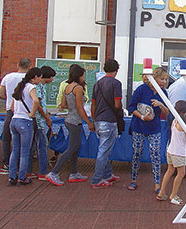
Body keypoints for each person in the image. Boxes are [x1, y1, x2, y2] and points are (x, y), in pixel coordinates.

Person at [45, 64, 95, 186]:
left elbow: (63, 104)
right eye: (83, 75)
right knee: (72, 147)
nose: (84, 78)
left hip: (69, 119)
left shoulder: (67, 86)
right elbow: (80, 107)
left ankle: (74, 172)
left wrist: (72, 107)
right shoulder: (78, 88)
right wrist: (88, 121)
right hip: (75, 121)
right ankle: (54, 172)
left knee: (75, 147)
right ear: (79, 75)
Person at [127, 66, 169, 193]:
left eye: (166, 79)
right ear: (155, 78)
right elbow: (131, 107)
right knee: (137, 153)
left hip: (154, 127)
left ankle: (157, 184)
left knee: (156, 154)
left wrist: (161, 105)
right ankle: (133, 179)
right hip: (139, 126)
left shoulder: (163, 93)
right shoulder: (142, 89)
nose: (164, 82)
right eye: (162, 79)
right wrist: (142, 117)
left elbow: (167, 113)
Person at [90, 59, 123, 189]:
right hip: (109, 120)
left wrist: (94, 120)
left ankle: (107, 174)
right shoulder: (116, 83)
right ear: (116, 70)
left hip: (98, 119)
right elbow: (117, 104)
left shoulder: (97, 84)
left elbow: (93, 104)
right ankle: (97, 179)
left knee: (105, 149)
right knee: (104, 151)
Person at [0, 58, 31, 175]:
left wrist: (10, 99)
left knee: (7, 138)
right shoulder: (29, 79)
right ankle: (25, 165)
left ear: (17, 64)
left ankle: (7, 163)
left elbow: (1, 94)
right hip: (25, 112)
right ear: (29, 66)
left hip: (10, 111)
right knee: (27, 140)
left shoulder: (8, 77)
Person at [8, 67, 42, 186]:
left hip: (14, 120)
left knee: (15, 150)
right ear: (35, 77)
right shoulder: (31, 87)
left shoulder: (19, 87)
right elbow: (36, 101)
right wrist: (32, 113)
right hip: (25, 121)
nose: (40, 80)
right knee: (25, 152)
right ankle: (22, 178)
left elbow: (12, 107)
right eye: (39, 77)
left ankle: (12, 177)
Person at [157, 100, 186, 205]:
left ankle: (162, 192)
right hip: (179, 152)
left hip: (171, 149)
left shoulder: (174, 121)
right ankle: (173, 195)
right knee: (181, 173)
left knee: (170, 170)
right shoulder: (185, 124)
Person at [31, 66, 56, 179]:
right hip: (38, 120)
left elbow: (43, 105)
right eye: (51, 77)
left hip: (41, 119)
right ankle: (42, 171)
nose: (52, 80)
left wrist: (47, 114)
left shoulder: (42, 86)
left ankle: (29, 170)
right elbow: (38, 105)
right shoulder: (38, 87)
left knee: (34, 145)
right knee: (42, 145)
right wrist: (46, 117)